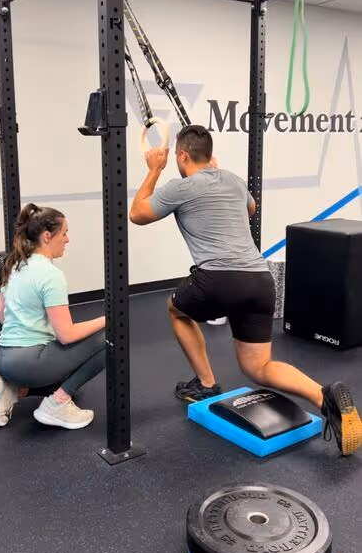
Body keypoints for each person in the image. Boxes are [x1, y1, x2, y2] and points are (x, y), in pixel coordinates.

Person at [129, 124, 362, 457]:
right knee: (258, 367)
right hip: (259, 281)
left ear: (182, 156)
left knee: (175, 309)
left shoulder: (179, 186)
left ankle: (206, 383)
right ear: (209, 155)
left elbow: (137, 214)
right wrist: (217, 175)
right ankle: (324, 396)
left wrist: (154, 169)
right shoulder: (234, 180)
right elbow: (250, 209)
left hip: (218, 279)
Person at [0, 203, 106, 430]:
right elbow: (66, 335)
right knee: (111, 338)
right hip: (27, 363)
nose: (68, 239)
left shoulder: (15, 265)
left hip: (0, 358)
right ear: (47, 236)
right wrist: (109, 319)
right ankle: (56, 405)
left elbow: (1, 315)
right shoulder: (51, 275)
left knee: (72, 385)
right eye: (64, 233)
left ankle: (13, 389)